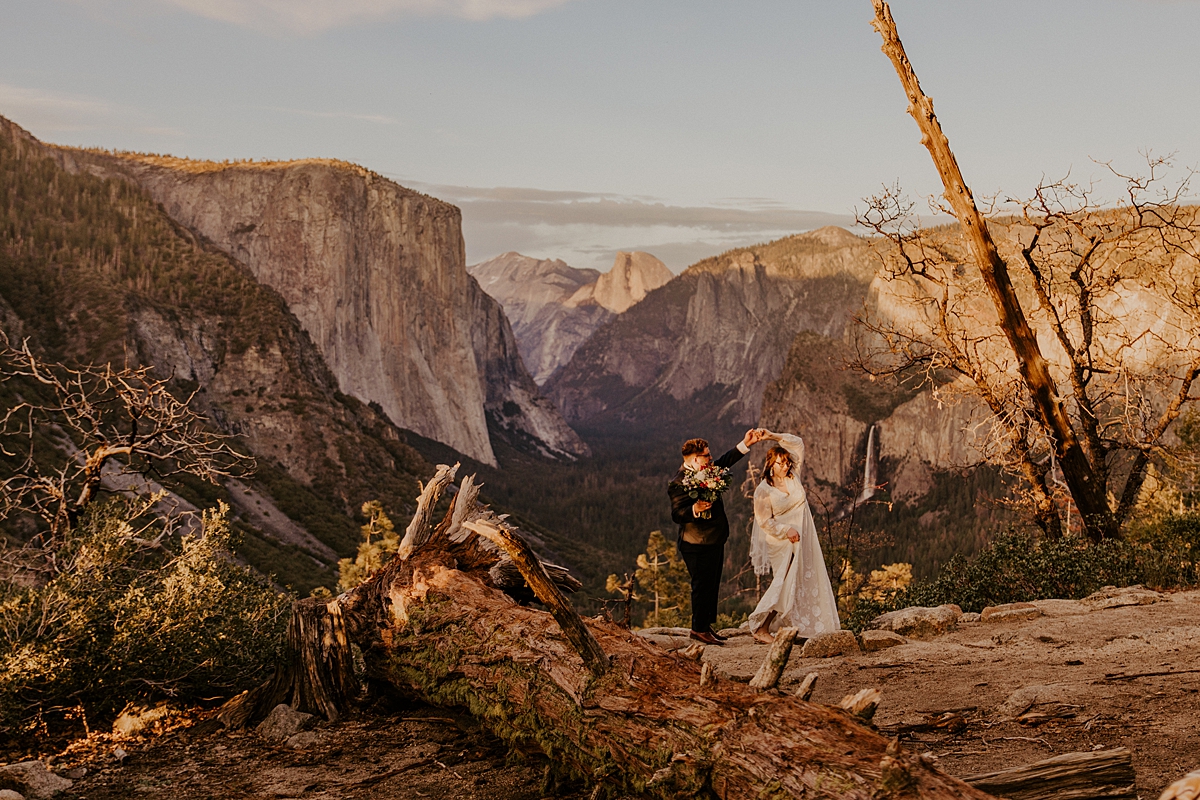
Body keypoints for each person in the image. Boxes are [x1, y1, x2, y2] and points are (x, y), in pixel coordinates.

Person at [668, 428, 766, 645]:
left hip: (715, 539)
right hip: (695, 544)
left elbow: (724, 461)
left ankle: (705, 627)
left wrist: (745, 443)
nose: (711, 458)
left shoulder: (706, 469)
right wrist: (694, 508)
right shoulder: (678, 482)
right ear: (695, 459)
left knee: (712, 586)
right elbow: (677, 514)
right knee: (701, 586)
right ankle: (698, 630)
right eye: (707, 455)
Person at [747, 430, 840, 644]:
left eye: (786, 462)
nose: (785, 466)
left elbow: (798, 443)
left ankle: (806, 625)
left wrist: (771, 435)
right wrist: (785, 530)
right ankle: (761, 627)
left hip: (805, 538)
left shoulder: (794, 476)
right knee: (785, 582)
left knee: (804, 579)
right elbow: (764, 521)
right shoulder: (763, 490)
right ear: (770, 464)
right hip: (783, 541)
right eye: (780, 463)